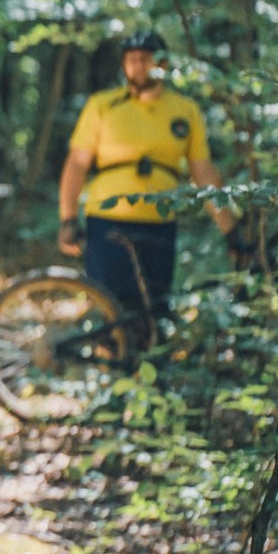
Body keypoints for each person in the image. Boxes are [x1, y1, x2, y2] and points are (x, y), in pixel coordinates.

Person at [57, 30, 238, 343]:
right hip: (107, 220)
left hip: (160, 223)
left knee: (152, 313)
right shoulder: (103, 105)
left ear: (163, 64)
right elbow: (77, 163)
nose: (138, 65)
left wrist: (231, 229)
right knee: (110, 310)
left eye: (145, 58)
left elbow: (203, 172)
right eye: (131, 59)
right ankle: (108, 366)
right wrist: (68, 219)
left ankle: (146, 370)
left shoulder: (185, 110)